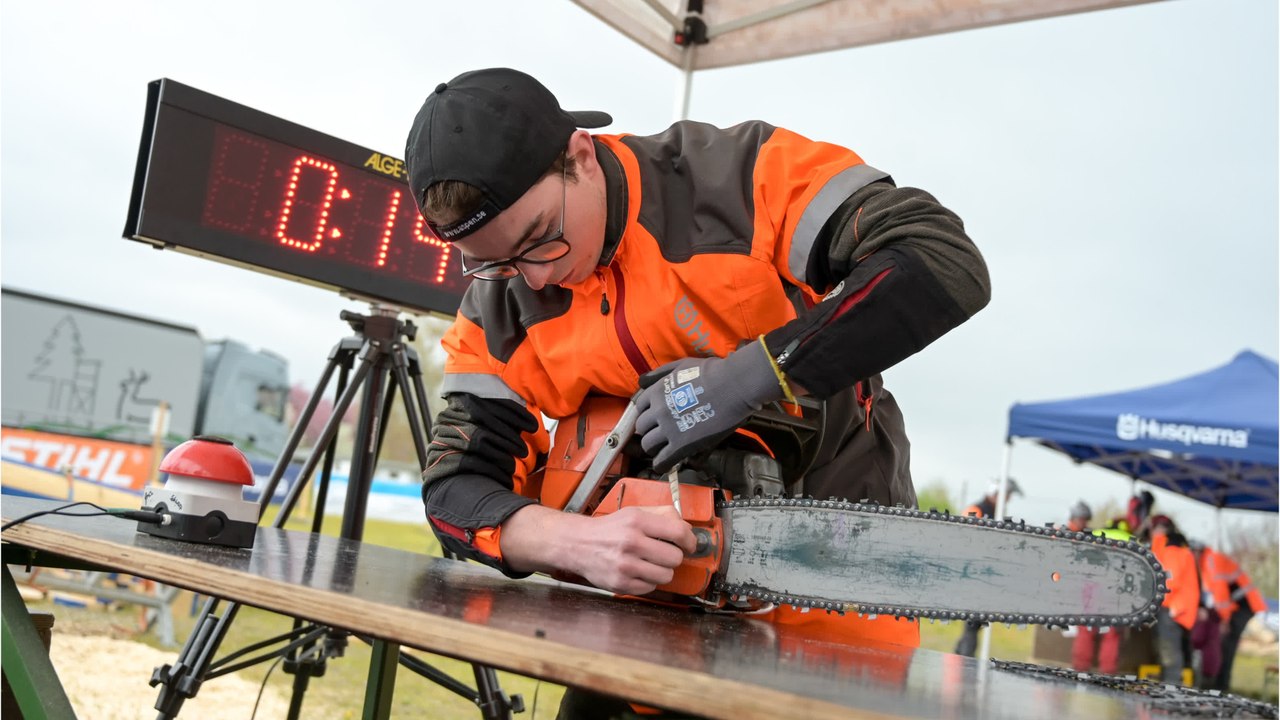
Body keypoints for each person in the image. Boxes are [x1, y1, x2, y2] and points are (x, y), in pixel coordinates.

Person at [405, 67, 990, 715]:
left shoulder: (739, 179)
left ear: (579, 155)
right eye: (499, 262)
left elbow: (938, 259)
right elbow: (454, 490)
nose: (536, 277)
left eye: (541, 238)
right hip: (640, 624)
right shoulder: (500, 307)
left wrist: (745, 379)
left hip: (831, 597)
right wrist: (575, 545)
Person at [953, 479, 1020, 657]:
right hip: (971, 572)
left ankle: (958, 658)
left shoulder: (996, 513)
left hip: (985, 574)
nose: (1008, 499)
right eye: (1006, 495)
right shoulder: (977, 509)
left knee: (976, 624)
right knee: (972, 624)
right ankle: (964, 662)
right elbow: (965, 539)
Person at [1200, 542, 1268, 691]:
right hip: (1239, 606)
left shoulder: (1211, 560)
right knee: (1224, 643)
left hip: (1245, 606)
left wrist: (1225, 620)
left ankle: (1221, 686)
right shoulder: (1208, 561)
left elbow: (1221, 593)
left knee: (1227, 644)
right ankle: (1219, 683)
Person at [1066, 500, 1122, 675]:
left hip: (1088, 588)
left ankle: (1086, 668)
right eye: (1083, 519)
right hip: (1097, 587)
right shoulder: (1075, 535)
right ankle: (1103, 669)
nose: (1085, 523)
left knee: (1089, 629)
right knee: (1107, 631)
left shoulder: (1085, 536)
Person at [1148, 515, 1198, 684]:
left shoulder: (1171, 549)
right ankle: (1168, 687)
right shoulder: (1171, 547)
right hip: (1173, 606)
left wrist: (1156, 600)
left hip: (1172, 608)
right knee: (1167, 651)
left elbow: (1170, 579)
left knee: (1170, 652)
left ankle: (1171, 689)